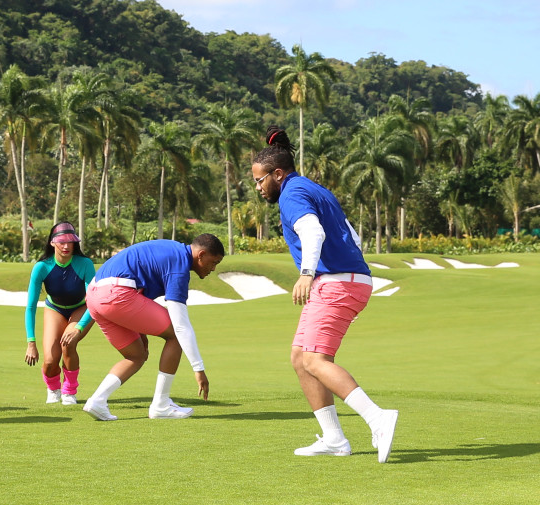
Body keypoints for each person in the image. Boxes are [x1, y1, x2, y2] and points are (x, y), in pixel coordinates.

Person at [249, 129, 398, 462]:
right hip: (346, 280)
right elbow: (352, 237)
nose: (258, 187)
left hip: (335, 282)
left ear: (277, 174)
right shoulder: (315, 189)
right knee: (300, 358)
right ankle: (333, 438)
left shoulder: (291, 194)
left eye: (259, 180)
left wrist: (307, 273)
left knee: (315, 360)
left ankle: (378, 418)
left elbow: (313, 231)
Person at [80, 234, 222, 421]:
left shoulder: (172, 250)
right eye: (214, 262)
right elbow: (181, 326)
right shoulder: (179, 267)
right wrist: (199, 369)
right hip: (117, 294)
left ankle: (97, 401)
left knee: (136, 355)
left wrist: (141, 331)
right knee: (175, 335)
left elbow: (139, 281)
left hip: (93, 296)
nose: (213, 268)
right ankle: (161, 405)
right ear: (201, 255)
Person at [24, 221, 96, 404]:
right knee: (49, 361)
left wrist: (79, 327)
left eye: (70, 242)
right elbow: (31, 307)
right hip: (54, 308)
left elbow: (93, 301)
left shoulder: (85, 264)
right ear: (52, 242)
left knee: (68, 344)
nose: (66, 246)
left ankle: (69, 391)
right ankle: (53, 389)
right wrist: (31, 342)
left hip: (81, 308)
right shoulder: (41, 267)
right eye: (61, 242)